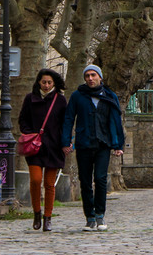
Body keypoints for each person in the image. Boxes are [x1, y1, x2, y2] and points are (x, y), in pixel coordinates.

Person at [62, 64, 124, 232]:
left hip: (103, 143)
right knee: (85, 181)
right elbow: (68, 119)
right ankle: (89, 217)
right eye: (87, 76)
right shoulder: (78, 96)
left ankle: (100, 215)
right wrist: (66, 141)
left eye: (93, 75)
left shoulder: (109, 96)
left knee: (101, 179)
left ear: (100, 77)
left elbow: (116, 121)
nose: (90, 78)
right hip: (84, 143)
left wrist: (118, 145)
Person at [18, 68, 68, 232]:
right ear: (38, 82)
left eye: (49, 82)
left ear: (54, 84)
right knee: (36, 180)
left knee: (49, 184)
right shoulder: (30, 98)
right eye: (44, 82)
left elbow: (65, 123)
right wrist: (28, 133)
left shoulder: (60, 100)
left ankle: (48, 217)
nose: (46, 85)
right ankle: (36, 213)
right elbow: (22, 119)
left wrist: (66, 141)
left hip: (54, 146)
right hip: (35, 146)